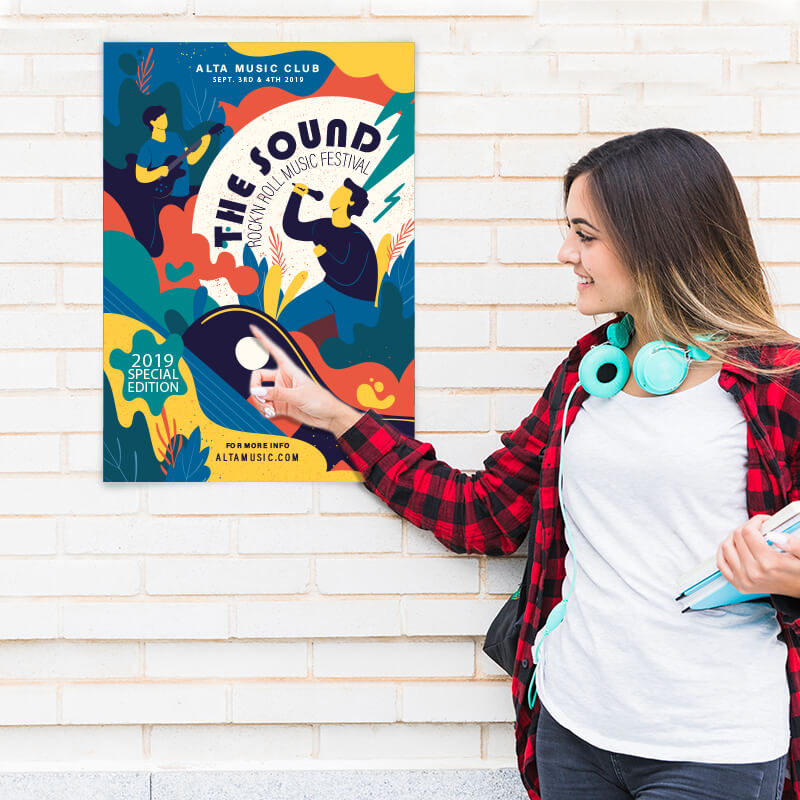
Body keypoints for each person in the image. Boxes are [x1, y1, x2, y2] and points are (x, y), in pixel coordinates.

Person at [245, 128, 800, 800]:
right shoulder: (589, 375)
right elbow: (482, 513)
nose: (567, 253)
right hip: (573, 730)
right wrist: (336, 417)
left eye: (585, 235)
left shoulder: (779, 383)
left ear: (658, 239)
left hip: (715, 748)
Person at [279, 178, 384, 343]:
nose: (336, 193)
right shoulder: (322, 226)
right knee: (287, 318)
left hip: (357, 299)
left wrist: (323, 255)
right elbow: (292, 228)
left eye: (342, 191)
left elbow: (347, 276)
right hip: (330, 288)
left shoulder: (357, 238)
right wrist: (297, 195)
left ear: (350, 202)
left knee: (351, 344)